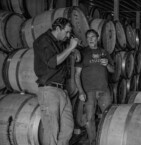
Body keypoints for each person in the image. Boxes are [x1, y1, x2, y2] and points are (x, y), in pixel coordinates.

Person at [33, 17, 79, 145]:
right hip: (49, 90)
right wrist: (70, 49)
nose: (68, 35)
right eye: (67, 32)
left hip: (62, 90)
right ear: (58, 28)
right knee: (51, 131)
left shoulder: (60, 43)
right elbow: (53, 62)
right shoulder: (43, 41)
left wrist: (74, 50)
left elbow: (73, 55)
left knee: (68, 128)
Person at [75, 29, 114, 145]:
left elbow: (113, 70)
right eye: (88, 37)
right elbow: (77, 75)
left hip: (104, 90)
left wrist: (107, 64)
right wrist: (81, 91)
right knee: (89, 118)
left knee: (108, 116)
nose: (90, 39)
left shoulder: (104, 52)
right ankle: (93, 142)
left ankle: (105, 140)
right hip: (89, 91)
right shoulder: (82, 53)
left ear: (97, 38)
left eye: (93, 37)